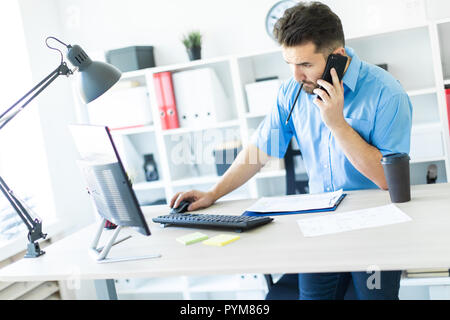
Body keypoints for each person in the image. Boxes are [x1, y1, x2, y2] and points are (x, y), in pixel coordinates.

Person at [170, 1, 412, 300]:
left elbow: (388, 180)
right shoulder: (293, 91)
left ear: (337, 57)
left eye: (306, 65)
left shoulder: (386, 93)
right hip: (320, 227)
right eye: (290, 64)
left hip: (376, 230)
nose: (296, 75)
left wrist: (337, 124)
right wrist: (213, 193)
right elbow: (260, 149)